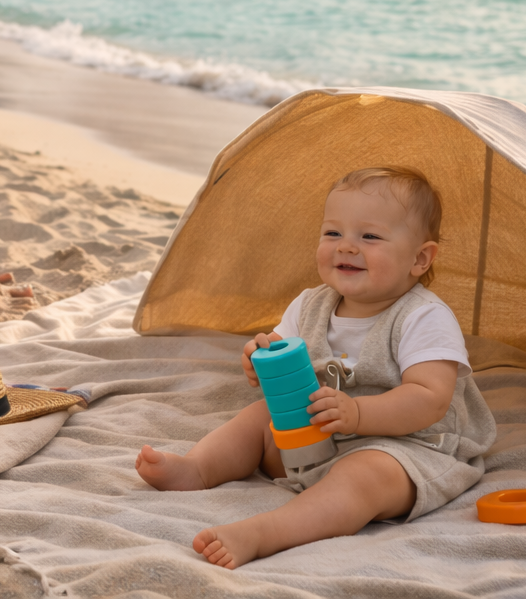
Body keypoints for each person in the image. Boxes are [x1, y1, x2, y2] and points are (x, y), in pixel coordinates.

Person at [135, 167, 495, 567]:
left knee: (364, 478)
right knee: (260, 416)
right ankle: (198, 468)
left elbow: (430, 400)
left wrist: (358, 413)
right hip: (316, 435)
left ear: (419, 258)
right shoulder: (310, 304)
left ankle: (265, 533)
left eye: (369, 236)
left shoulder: (423, 317)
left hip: (406, 446)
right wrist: (259, 359)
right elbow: (281, 360)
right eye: (333, 233)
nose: (346, 247)